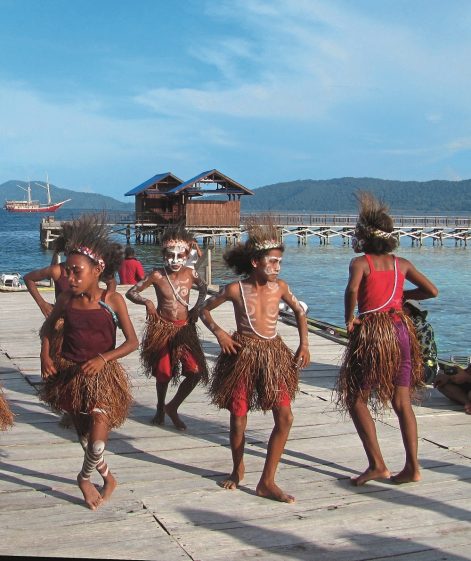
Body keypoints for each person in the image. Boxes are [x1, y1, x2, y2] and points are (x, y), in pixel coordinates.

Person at [199, 222, 310, 503]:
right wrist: (220, 333)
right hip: (243, 356)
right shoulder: (234, 290)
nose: (277, 267)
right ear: (255, 262)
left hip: (273, 355)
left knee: (285, 417)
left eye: (280, 262)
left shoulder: (280, 288)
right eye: (272, 262)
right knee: (238, 420)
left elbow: (299, 312)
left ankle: (267, 481)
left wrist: (304, 344)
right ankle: (237, 469)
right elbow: (204, 310)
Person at [336, 191, 438, 486]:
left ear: (365, 237)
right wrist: (402, 296)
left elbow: (352, 290)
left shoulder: (361, 263)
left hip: (374, 333)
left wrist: (349, 317)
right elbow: (432, 291)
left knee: (355, 397)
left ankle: (378, 464)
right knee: (402, 401)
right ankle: (412, 467)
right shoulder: (401, 264)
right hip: (401, 330)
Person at [39, 215, 138, 510]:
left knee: (96, 439)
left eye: (76, 271)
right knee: (84, 435)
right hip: (70, 373)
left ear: (98, 270)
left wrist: (102, 358)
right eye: (67, 271)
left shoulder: (112, 301)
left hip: (103, 375)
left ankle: (83, 478)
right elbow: (48, 328)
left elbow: (133, 342)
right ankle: (107, 477)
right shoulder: (67, 300)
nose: (69, 278)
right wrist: (45, 355)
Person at [24, 223, 118, 429]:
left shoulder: (90, 269)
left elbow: (111, 281)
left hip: (86, 320)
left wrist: (108, 297)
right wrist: (43, 304)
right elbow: (29, 278)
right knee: (57, 369)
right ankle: (67, 406)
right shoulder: (58, 270)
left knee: (82, 369)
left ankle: (83, 407)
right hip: (62, 324)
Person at [126, 225, 208, 430]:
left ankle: (173, 406)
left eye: (180, 255)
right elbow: (131, 292)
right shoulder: (157, 275)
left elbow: (204, 287)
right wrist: (147, 302)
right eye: (170, 255)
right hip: (162, 328)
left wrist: (197, 308)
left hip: (184, 329)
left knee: (196, 371)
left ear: (186, 255)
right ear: (163, 255)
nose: (175, 260)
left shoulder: (190, 273)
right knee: (163, 374)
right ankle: (160, 408)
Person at [403, 300, 438, 384]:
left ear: (408, 310)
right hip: (426, 368)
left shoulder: (420, 327)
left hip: (424, 370)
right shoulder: (420, 325)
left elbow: (422, 355)